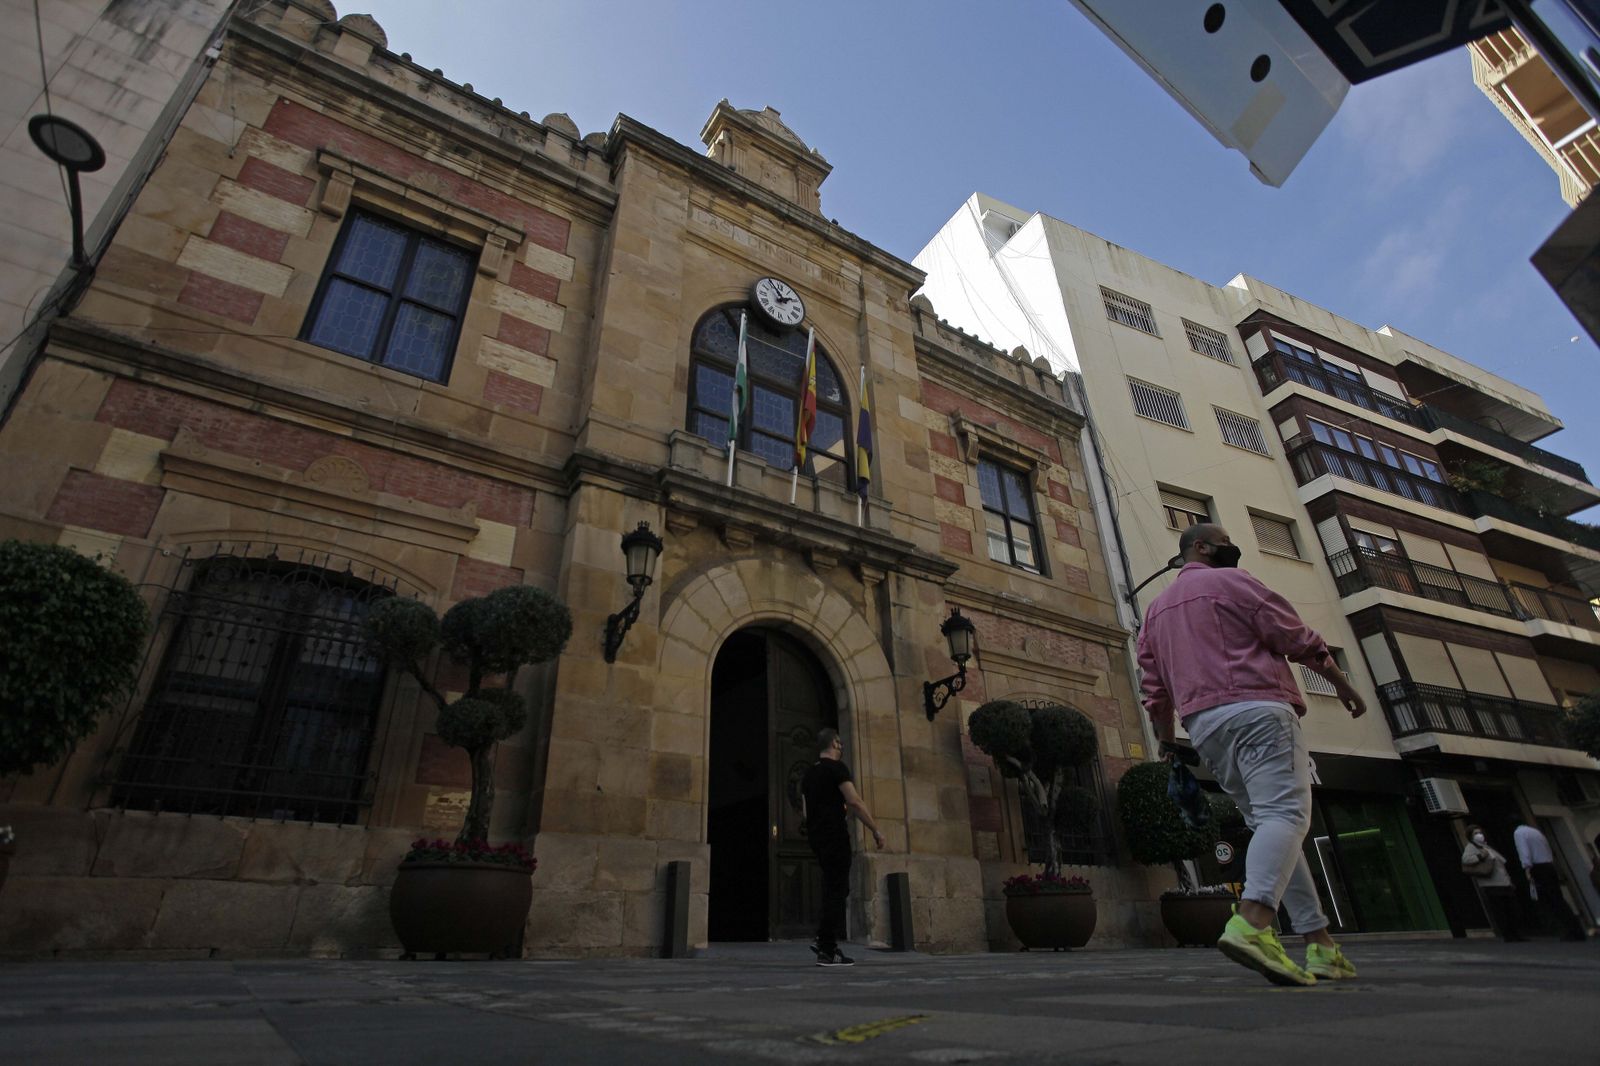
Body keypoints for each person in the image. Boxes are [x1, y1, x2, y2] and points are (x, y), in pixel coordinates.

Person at [1137, 523, 1367, 987]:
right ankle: (1253, 922)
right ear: (1198, 547)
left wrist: (1166, 741)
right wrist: (1343, 685)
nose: (1231, 546)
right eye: (1222, 540)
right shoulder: (1233, 583)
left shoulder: (1156, 611)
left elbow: (1154, 691)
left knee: (1271, 824)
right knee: (1286, 815)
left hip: (1205, 726)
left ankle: (1320, 944)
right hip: (1258, 710)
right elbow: (1296, 637)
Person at [800, 727, 885, 967]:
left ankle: (822, 938)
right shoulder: (837, 769)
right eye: (840, 743)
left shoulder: (808, 774)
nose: (842, 747)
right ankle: (827, 949)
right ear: (835, 744)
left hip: (817, 838)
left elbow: (806, 812)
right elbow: (854, 802)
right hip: (835, 836)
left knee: (831, 887)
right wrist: (875, 830)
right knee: (838, 889)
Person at [1513, 820, 1586, 940]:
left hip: (1538, 868)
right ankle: (1575, 929)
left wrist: (1526, 868)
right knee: (1557, 898)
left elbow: (1524, 851)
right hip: (1548, 865)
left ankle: (1566, 930)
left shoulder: (1519, 833)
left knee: (1549, 900)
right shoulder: (1536, 832)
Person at [1461, 824, 1524, 942]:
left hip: (1504, 883)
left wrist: (1509, 881)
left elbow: (1501, 865)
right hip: (1492, 884)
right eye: (1475, 833)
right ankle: (1508, 934)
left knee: (1511, 909)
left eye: (1480, 832)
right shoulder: (1472, 847)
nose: (1479, 835)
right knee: (1501, 910)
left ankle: (1515, 933)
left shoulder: (1486, 847)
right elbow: (1466, 859)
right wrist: (1480, 856)